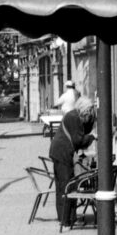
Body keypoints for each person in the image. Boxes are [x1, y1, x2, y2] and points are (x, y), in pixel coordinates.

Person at [49, 96, 96, 226]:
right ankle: (67, 219)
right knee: (67, 185)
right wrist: (92, 137)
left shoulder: (73, 115)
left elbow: (83, 131)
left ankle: (64, 218)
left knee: (61, 186)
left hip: (58, 151)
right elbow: (78, 140)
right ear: (84, 109)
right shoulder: (74, 118)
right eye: (88, 112)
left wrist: (91, 122)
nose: (88, 115)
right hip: (63, 152)